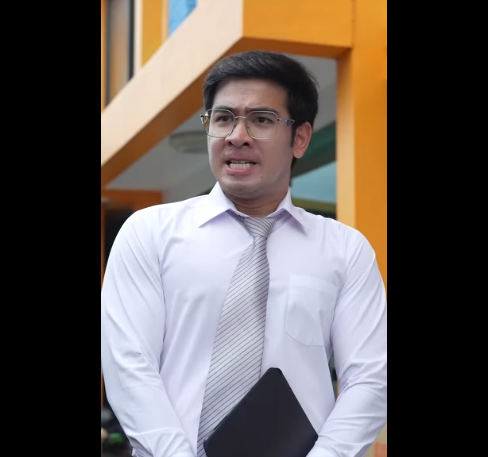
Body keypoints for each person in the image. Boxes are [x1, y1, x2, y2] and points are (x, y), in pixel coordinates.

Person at [101, 50, 387, 457]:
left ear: (300, 138)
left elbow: (370, 379)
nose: (237, 135)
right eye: (223, 118)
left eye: (262, 120)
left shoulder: (346, 250)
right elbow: (129, 365)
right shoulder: (149, 233)